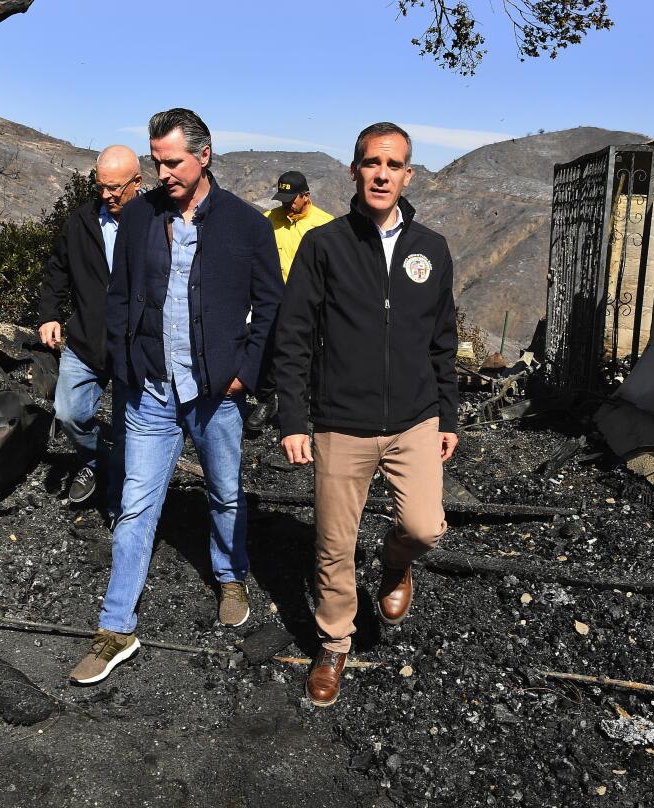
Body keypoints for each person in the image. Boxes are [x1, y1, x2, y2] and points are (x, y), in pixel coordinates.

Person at [69, 108, 284, 684]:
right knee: (136, 505)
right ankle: (115, 627)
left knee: (224, 491)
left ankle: (231, 575)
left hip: (215, 392)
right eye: (156, 161)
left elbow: (271, 307)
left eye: (173, 161)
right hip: (149, 391)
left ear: (204, 155)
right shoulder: (139, 215)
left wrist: (245, 372)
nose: (162, 172)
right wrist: (123, 363)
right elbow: (120, 296)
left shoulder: (246, 225)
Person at [272, 122, 459, 707]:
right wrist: (293, 420)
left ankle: (396, 564)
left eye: (394, 164)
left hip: (414, 418)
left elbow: (443, 340)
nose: (382, 173)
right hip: (339, 421)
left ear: (408, 175)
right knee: (333, 543)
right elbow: (294, 337)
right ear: (354, 170)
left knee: (426, 526)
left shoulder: (432, 248)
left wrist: (448, 414)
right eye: (372, 162)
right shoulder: (324, 245)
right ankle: (333, 643)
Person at [38, 146, 142, 516]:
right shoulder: (80, 221)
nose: (107, 195)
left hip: (134, 347)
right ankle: (96, 458)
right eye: (102, 186)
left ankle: (119, 508)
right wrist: (49, 314)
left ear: (138, 182)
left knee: (129, 431)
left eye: (115, 188)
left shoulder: (155, 222)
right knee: (68, 413)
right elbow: (57, 270)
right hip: (84, 341)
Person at [246, 170, 334, 432]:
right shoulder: (268, 221)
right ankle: (266, 401)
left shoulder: (325, 225)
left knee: (306, 355)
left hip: (310, 302)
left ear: (306, 196)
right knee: (264, 349)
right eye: (282, 199)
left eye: (291, 199)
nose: (285, 204)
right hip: (272, 300)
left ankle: (302, 409)